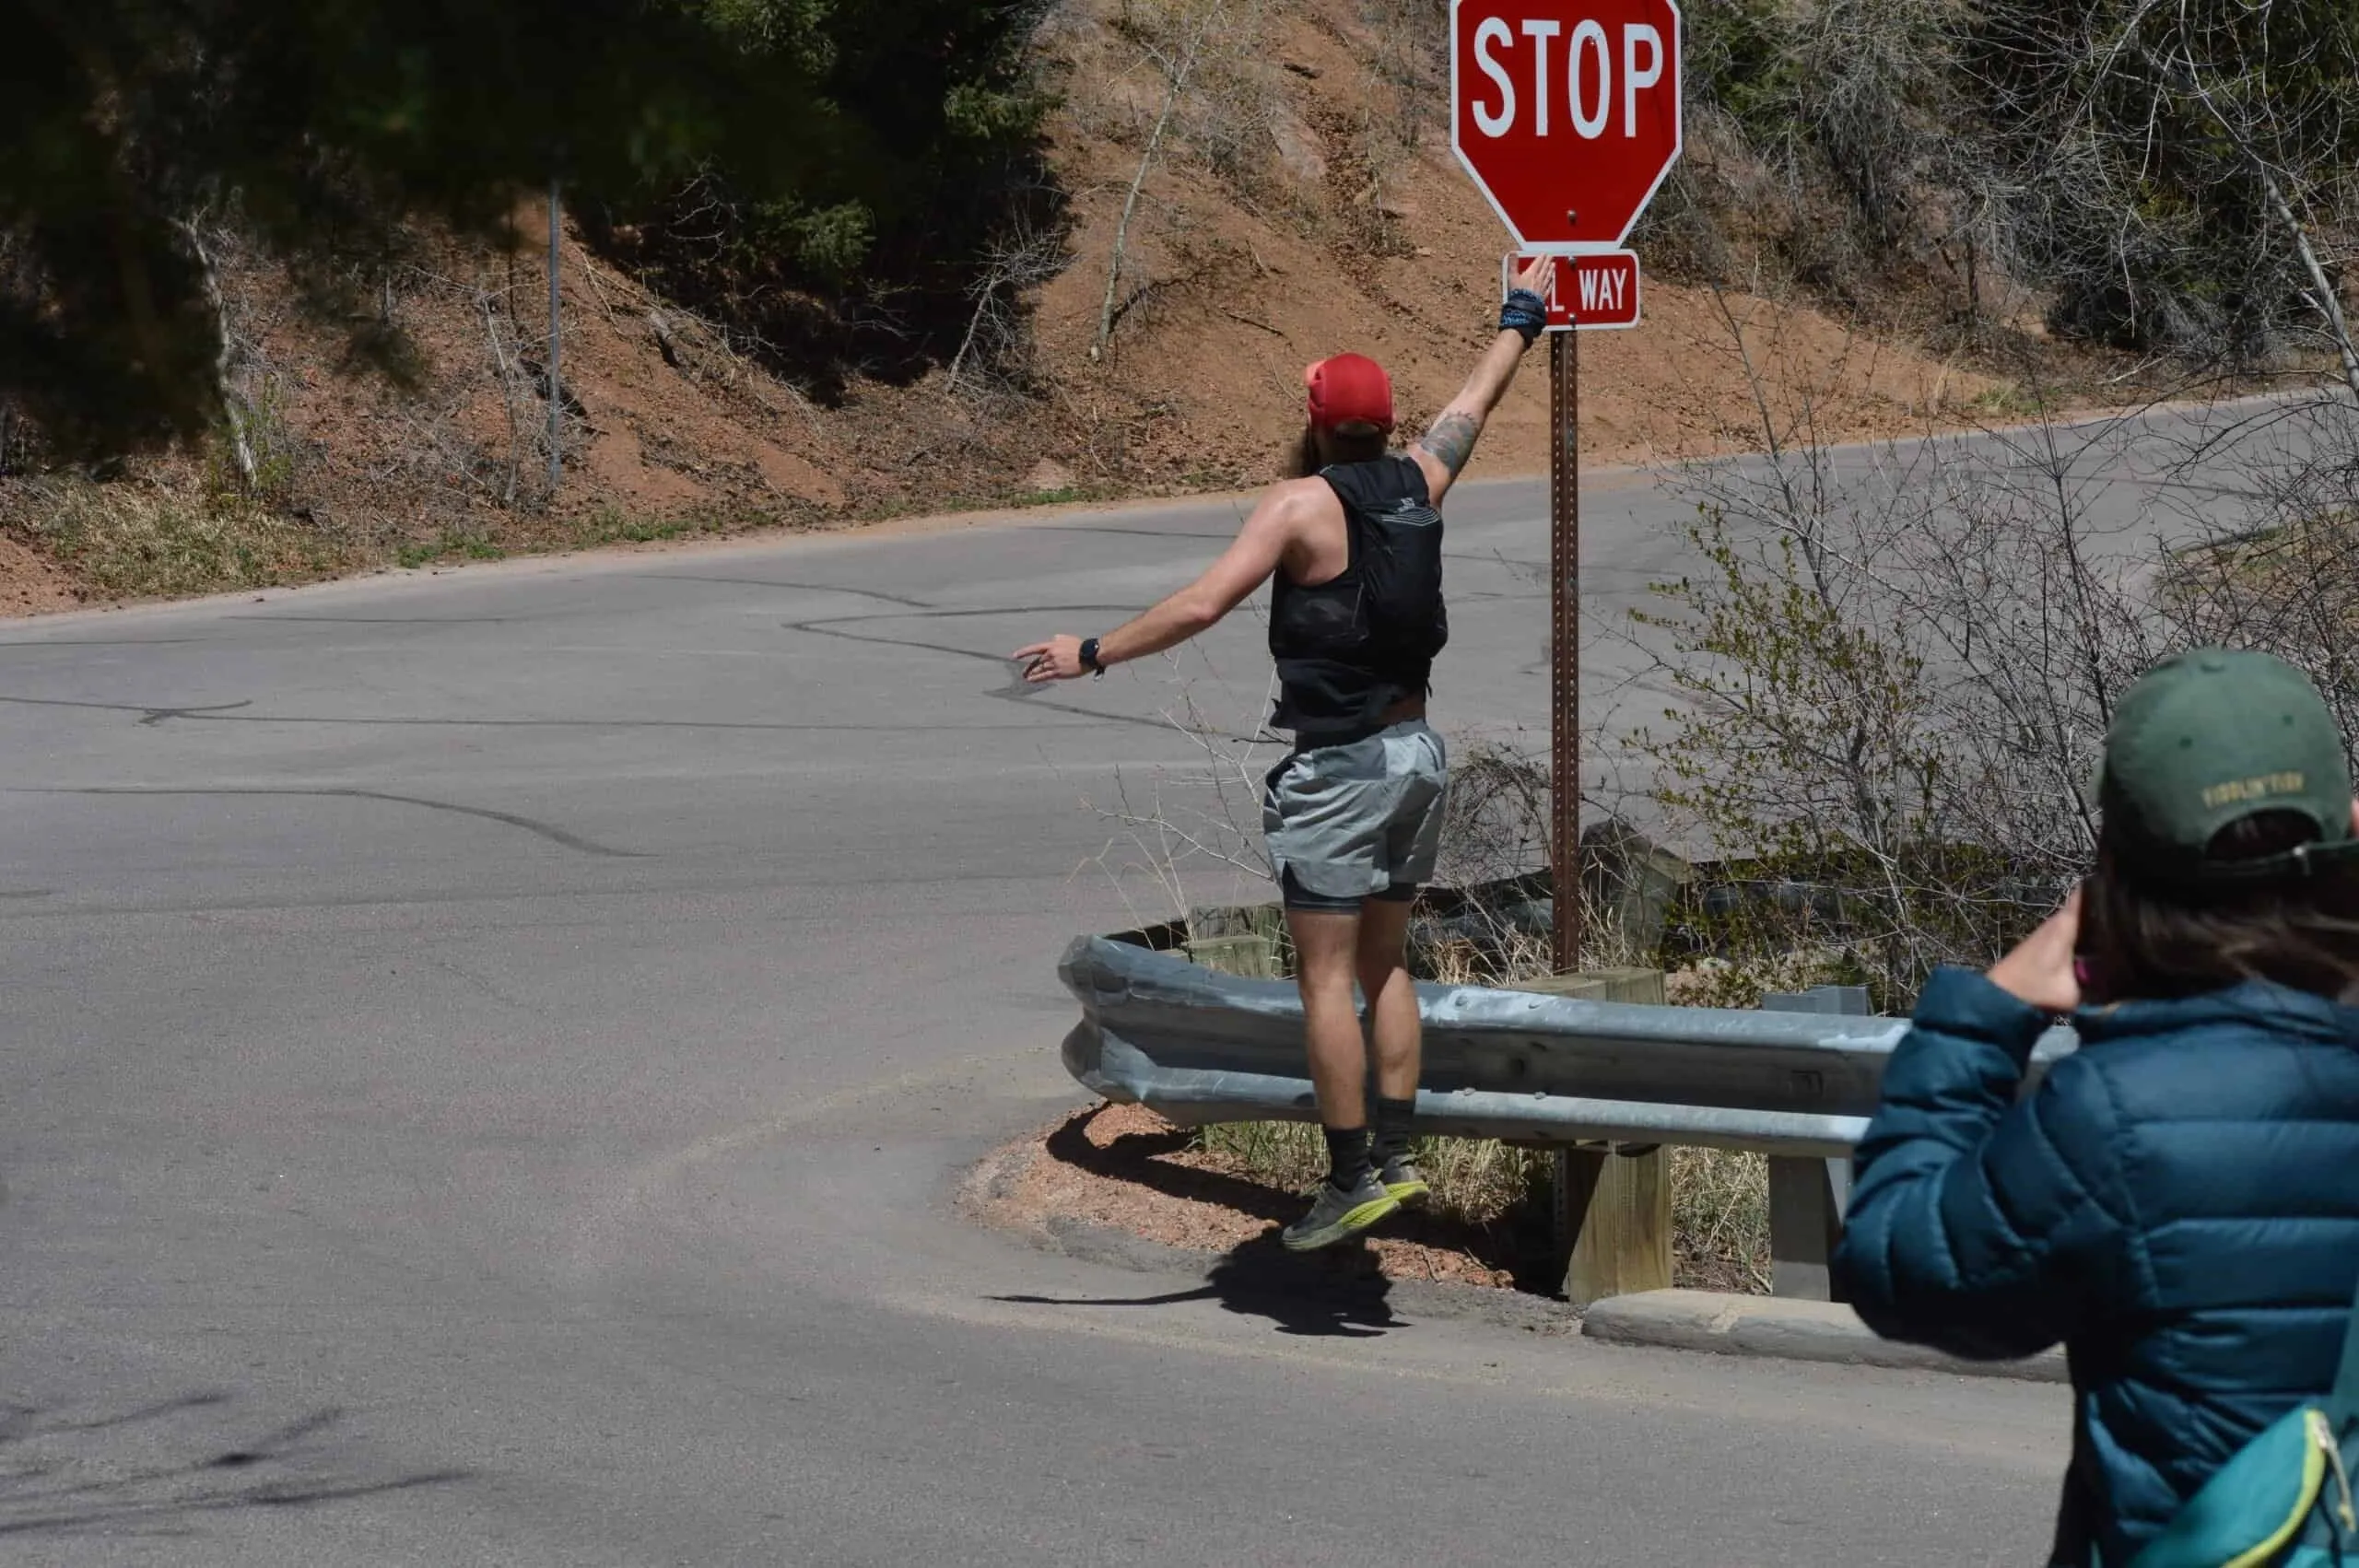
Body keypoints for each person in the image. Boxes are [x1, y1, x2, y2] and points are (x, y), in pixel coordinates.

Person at [1015, 257, 1555, 1251]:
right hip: (1415, 753)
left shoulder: (1298, 504)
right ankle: (1395, 1156)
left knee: (1323, 980)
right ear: (1387, 423)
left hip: (1341, 766)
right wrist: (1520, 314)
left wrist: (1088, 652)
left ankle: (1348, 1177)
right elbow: (1472, 403)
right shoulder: (1421, 480)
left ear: (1315, 417)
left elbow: (1202, 603)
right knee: (1387, 967)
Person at [1832, 649, 2359, 1567]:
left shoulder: (2112, 1122)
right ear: (2349, 829)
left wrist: (1980, 1022)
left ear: (2111, 869)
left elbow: (1898, 1265)